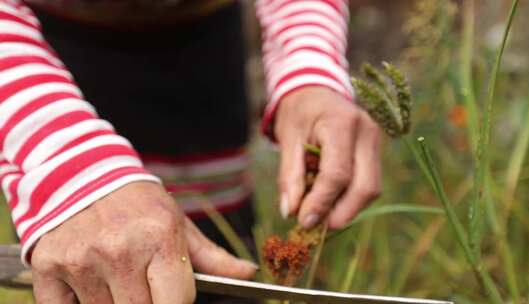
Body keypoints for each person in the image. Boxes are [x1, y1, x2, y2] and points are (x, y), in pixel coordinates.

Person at [0, 0, 382, 303]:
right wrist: (68, 165)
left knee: (218, 258)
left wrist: (309, 66)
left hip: (202, 49)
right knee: (97, 266)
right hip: (44, 56)